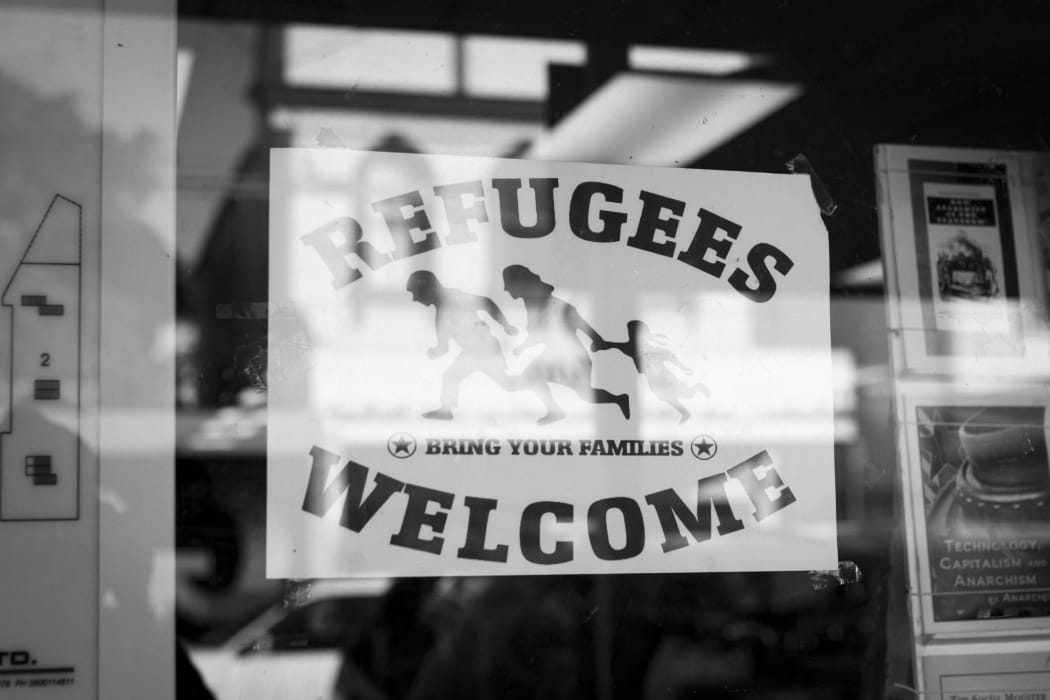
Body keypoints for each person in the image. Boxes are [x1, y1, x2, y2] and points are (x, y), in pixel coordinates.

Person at [502, 265, 629, 424]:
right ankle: (555, 411)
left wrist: (598, 341)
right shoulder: (534, 307)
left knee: (586, 395)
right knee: (532, 376)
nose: (508, 291)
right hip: (554, 358)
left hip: (573, 359)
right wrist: (522, 348)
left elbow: (582, 325)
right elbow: (539, 335)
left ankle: (619, 399)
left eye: (510, 286)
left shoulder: (560, 307)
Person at [406, 270, 521, 420]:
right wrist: (436, 351)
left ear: (426, 289)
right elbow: (444, 348)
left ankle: (537, 385)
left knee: (507, 383)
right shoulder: (441, 312)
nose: (415, 299)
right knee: (451, 376)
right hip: (473, 351)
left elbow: (486, 303)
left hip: (486, 348)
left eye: (415, 293)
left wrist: (506, 325)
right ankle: (446, 411)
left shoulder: (454, 299)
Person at [603, 320, 708, 423]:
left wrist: (683, 367)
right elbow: (615, 345)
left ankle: (698, 387)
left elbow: (669, 355)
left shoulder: (651, 349)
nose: (631, 336)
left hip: (664, 377)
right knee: (665, 396)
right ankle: (685, 411)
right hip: (653, 380)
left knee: (682, 393)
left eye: (633, 334)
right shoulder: (632, 348)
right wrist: (603, 345)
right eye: (630, 334)